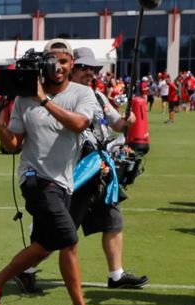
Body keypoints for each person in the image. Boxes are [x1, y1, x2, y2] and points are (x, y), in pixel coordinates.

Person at [0, 39, 106, 305]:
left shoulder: (83, 93)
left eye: (63, 61)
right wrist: (0, 125)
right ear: (42, 63)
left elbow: (79, 124)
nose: (58, 66)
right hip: (35, 180)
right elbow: (13, 146)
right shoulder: (24, 99)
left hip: (64, 182)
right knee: (69, 240)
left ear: (71, 64)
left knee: (43, 247)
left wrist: (44, 100)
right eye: (52, 60)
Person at [68, 47, 148, 290]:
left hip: (102, 169)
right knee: (62, 229)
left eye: (92, 69)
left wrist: (128, 120)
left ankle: (117, 275)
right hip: (78, 171)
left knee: (113, 220)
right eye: (83, 68)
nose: (89, 73)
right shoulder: (65, 97)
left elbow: (116, 123)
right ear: (71, 69)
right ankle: (26, 270)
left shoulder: (99, 96)